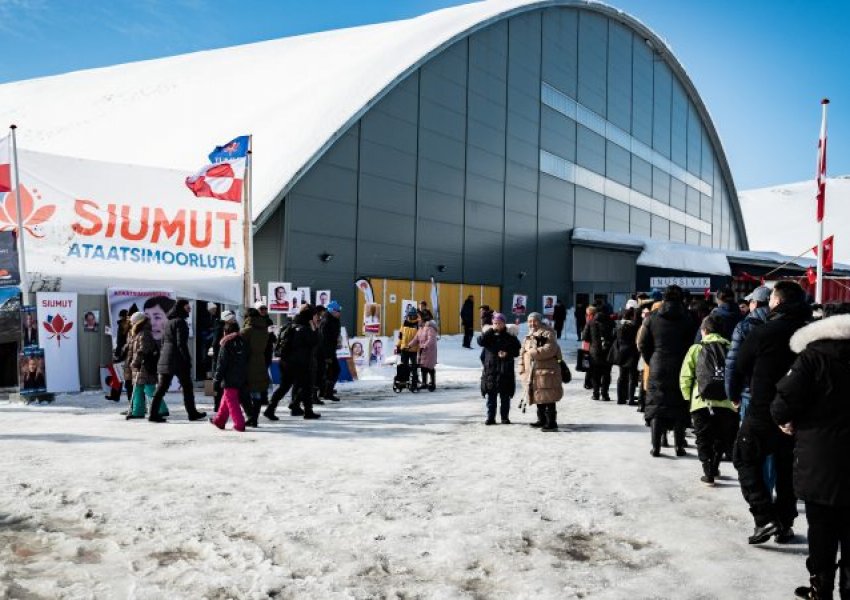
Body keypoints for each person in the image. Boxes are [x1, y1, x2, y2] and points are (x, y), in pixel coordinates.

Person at [772, 306, 850, 600]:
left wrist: (787, 421)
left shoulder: (811, 358)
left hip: (820, 459)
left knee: (822, 527)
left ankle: (821, 587)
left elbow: (781, 404)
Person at [733, 280, 811, 545]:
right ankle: (785, 524)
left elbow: (742, 363)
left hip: (762, 410)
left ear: (776, 302)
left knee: (744, 458)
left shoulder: (764, 332)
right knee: (786, 468)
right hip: (796, 413)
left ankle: (764, 516)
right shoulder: (809, 334)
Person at [638, 285, 697, 457]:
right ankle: (679, 446)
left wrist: (652, 359)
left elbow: (643, 344)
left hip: (658, 364)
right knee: (679, 405)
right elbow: (693, 343)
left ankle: (656, 446)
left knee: (657, 405)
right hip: (680, 364)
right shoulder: (688, 319)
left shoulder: (652, 318)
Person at [679, 315, 738, 485]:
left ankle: (708, 471)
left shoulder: (696, 349)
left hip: (701, 401)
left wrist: (687, 397)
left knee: (703, 437)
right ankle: (715, 466)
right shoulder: (731, 348)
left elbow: (686, 375)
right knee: (720, 437)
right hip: (726, 402)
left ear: (704, 331)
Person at [148, 299, 206, 423]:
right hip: (178, 360)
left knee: (161, 388)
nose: (189, 309)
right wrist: (187, 359)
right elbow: (181, 344)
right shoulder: (180, 322)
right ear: (181, 308)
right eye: (187, 307)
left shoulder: (168, 322)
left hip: (166, 358)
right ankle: (192, 413)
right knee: (187, 387)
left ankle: (152, 414)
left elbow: (163, 343)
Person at [519, 312, 562, 432]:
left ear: (540, 321)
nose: (532, 323)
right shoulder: (529, 335)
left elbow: (550, 349)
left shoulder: (548, 333)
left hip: (546, 372)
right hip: (533, 372)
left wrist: (531, 352)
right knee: (538, 395)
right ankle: (541, 420)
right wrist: (521, 368)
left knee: (548, 397)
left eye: (535, 321)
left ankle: (551, 422)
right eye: (530, 321)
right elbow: (522, 353)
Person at [478, 312, 521, 425]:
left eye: (500, 323)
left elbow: (517, 351)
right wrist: (490, 330)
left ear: (504, 323)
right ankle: (490, 417)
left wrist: (507, 353)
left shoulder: (510, 336)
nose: (497, 325)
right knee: (491, 396)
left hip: (505, 370)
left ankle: (504, 417)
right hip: (491, 370)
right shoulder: (489, 335)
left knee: (505, 396)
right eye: (495, 323)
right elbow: (480, 341)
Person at [126, 312, 168, 419]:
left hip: (145, 366)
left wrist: (136, 361)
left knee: (149, 389)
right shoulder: (138, 333)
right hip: (139, 366)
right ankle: (137, 411)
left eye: (133, 322)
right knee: (138, 389)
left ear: (138, 321)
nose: (132, 324)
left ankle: (162, 409)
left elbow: (143, 349)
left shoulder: (144, 333)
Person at [211, 319, 249, 432]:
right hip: (241, 375)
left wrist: (216, 379)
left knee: (232, 401)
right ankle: (219, 420)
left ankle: (239, 424)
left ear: (226, 331)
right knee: (227, 398)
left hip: (229, 377)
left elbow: (221, 364)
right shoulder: (243, 341)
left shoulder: (226, 343)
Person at [288, 304, 321, 420]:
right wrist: (315, 329)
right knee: (307, 385)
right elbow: (314, 341)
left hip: (295, 359)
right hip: (304, 360)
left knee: (299, 385)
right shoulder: (305, 326)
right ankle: (298, 406)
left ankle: (299, 407)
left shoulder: (295, 323)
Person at [241, 307, 272, 428]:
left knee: (243, 393)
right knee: (257, 392)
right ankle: (254, 418)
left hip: (247, 364)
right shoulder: (264, 330)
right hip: (260, 362)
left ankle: (251, 416)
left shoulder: (246, 331)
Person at [583, 304, 615, 401]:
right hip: (608, 352)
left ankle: (596, 394)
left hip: (594, 352)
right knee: (606, 374)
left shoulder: (590, 322)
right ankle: (605, 394)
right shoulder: (611, 322)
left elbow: (585, 337)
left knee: (595, 374)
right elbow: (614, 336)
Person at [612, 308, 640, 406]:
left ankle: (620, 398)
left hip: (621, 353)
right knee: (632, 377)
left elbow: (614, 338)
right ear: (631, 317)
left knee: (622, 376)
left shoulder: (618, 326)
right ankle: (631, 399)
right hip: (632, 353)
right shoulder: (634, 326)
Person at [211, 310, 236, 412]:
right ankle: (217, 405)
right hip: (219, 360)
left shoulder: (230, 327)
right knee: (217, 383)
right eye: (232, 319)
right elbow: (215, 345)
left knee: (223, 383)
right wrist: (219, 359)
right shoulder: (220, 328)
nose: (234, 320)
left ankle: (221, 405)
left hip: (225, 359)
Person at [319, 301, 343, 401]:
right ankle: (327, 392)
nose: (340, 313)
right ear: (332, 311)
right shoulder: (327, 322)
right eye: (338, 311)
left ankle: (325, 391)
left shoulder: (334, 320)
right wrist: (327, 355)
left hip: (331, 350)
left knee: (329, 371)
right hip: (326, 351)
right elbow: (324, 340)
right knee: (334, 370)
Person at [396, 306, 421, 386]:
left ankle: (415, 379)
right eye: (411, 315)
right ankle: (404, 380)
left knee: (414, 366)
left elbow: (420, 337)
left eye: (414, 315)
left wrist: (421, 349)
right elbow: (400, 336)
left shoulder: (418, 324)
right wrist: (398, 346)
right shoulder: (404, 323)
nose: (412, 316)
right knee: (404, 365)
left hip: (414, 349)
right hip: (404, 348)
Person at [412, 318, 438, 391]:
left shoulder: (430, 328)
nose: (418, 320)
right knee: (423, 367)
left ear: (423, 320)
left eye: (419, 319)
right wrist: (409, 345)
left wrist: (424, 346)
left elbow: (431, 340)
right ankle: (424, 383)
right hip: (422, 351)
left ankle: (433, 383)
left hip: (430, 351)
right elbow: (416, 339)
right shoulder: (420, 329)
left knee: (430, 367)